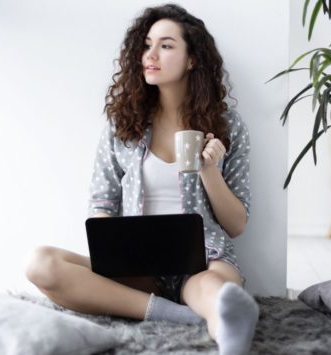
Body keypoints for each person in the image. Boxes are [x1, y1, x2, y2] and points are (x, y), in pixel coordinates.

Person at [25, 4, 258, 355]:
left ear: (192, 58)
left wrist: (209, 170)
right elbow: (102, 204)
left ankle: (225, 328)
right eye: (147, 45)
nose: (150, 55)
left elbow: (237, 224)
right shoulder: (123, 125)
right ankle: (177, 315)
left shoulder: (227, 125)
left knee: (218, 293)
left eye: (165, 45)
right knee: (40, 263)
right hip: (137, 266)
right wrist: (110, 248)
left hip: (204, 259)